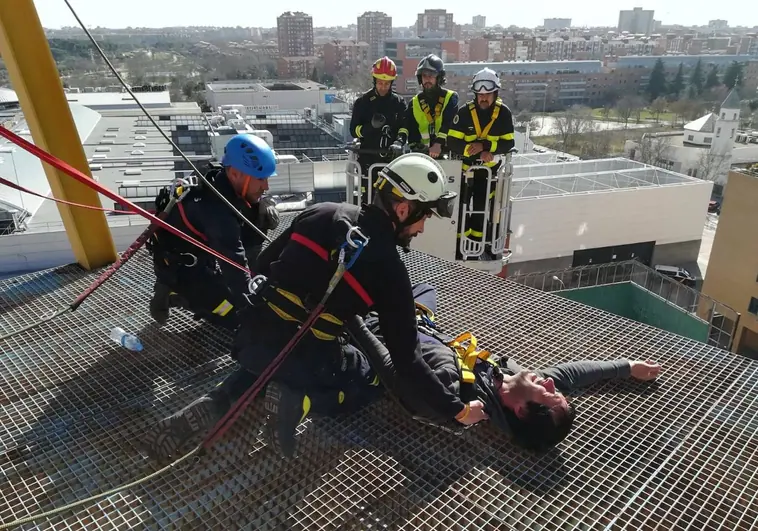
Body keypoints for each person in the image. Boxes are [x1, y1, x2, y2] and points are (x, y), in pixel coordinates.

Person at [142, 153, 484, 462]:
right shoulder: (391, 271)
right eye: (423, 217)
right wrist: (456, 410)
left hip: (252, 337)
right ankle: (299, 402)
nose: (422, 228)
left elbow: (262, 262)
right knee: (366, 376)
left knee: (272, 360)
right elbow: (407, 360)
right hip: (311, 358)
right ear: (403, 209)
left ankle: (217, 401)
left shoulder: (323, 212)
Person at [347, 283, 661, 451]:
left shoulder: (459, 398)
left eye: (548, 394)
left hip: (378, 327)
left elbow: (391, 370)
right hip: (417, 322)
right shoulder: (515, 380)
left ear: (522, 410)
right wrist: (626, 366)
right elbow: (571, 374)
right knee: (426, 289)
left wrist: (352, 319)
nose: (550, 384)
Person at [147, 134, 278, 331]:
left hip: (204, 250)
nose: (265, 186)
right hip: (182, 266)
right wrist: (255, 310)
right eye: (260, 178)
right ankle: (173, 292)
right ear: (235, 173)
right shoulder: (216, 211)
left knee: (257, 218)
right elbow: (235, 266)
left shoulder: (222, 181)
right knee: (235, 316)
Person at [446, 68, 516, 260]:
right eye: (480, 95)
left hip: (488, 173)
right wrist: (469, 148)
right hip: (464, 171)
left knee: (481, 209)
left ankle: (476, 248)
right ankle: (459, 248)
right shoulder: (465, 113)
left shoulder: (503, 114)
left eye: (487, 94)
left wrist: (487, 148)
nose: (483, 98)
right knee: (460, 210)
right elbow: (452, 141)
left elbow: (509, 143)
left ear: (495, 94)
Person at [349, 57, 409, 204]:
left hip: (392, 161)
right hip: (369, 161)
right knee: (369, 199)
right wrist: (370, 127)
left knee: (392, 200)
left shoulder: (398, 103)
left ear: (392, 82)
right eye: (380, 83)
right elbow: (353, 130)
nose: (383, 87)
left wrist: (399, 142)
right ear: (374, 80)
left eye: (387, 83)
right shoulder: (363, 102)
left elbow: (404, 127)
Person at [398, 54, 458, 159]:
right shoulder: (415, 102)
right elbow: (405, 126)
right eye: (424, 75)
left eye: (431, 75)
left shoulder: (450, 97)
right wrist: (399, 142)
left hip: (445, 154)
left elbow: (449, 123)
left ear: (439, 77)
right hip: (421, 155)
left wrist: (438, 144)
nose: (427, 79)